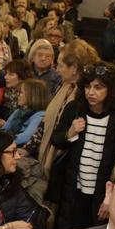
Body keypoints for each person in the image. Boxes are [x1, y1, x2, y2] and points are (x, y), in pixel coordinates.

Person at [50, 63, 115, 229]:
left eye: (98, 87)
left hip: (102, 194)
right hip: (72, 190)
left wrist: (111, 196)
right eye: (87, 87)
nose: (91, 92)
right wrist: (69, 133)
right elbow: (56, 140)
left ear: (110, 90)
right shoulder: (74, 109)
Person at [40, 39, 97, 174]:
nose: (57, 69)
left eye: (60, 65)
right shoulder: (65, 86)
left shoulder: (85, 96)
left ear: (74, 68)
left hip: (68, 164)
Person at [0, 77, 50, 151]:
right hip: (9, 145)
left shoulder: (40, 116)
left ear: (32, 96)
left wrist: (2, 141)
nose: (18, 95)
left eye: (21, 92)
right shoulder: (18, 111)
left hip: (23, 151)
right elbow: (4, 128)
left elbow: (26, 137)